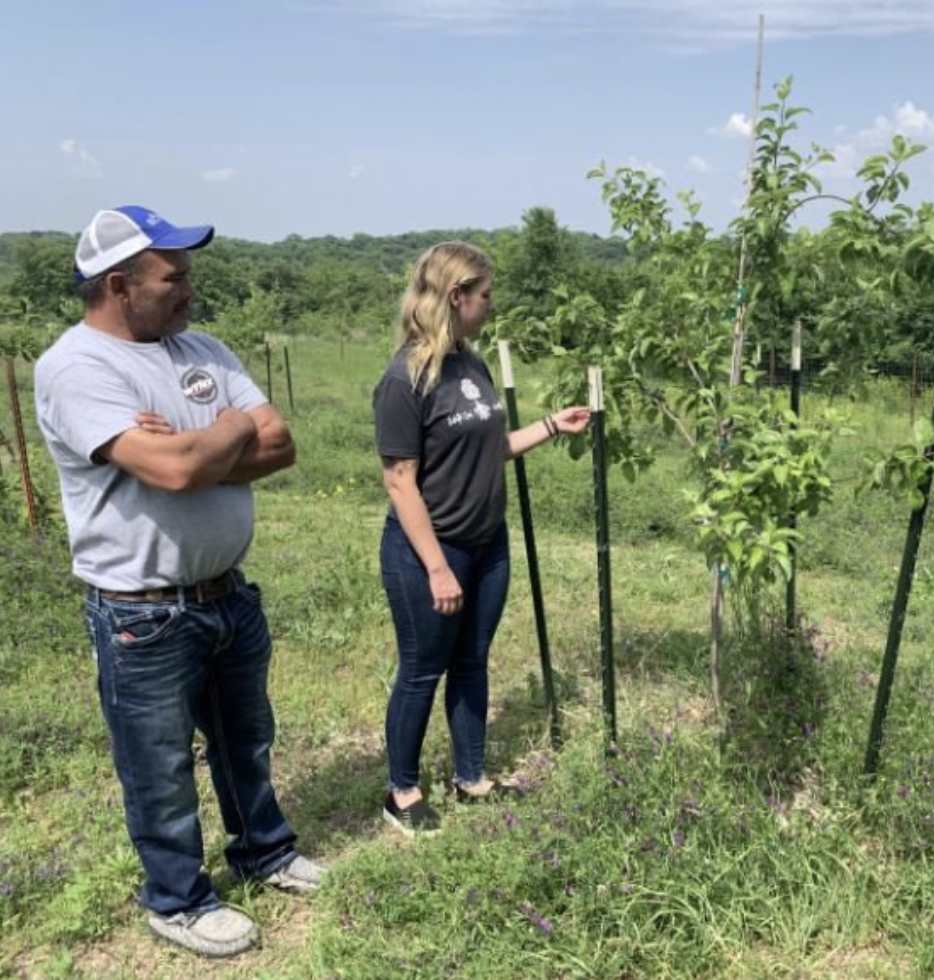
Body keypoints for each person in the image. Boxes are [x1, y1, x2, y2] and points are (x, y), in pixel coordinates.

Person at [34, 206, 325, 958]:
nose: (190, 290)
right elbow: (174, 467)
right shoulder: (74, 367)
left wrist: (199, 448)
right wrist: (227, 430)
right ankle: (177, 898)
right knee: (158, 765)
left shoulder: (203, 347)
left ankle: (264, 849)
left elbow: (281, 445)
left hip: (227, 594)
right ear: (119, 284)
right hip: (142, 614)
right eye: (175, 277)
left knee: (246, 739)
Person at [373, 241, 590, 836]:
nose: (492, 305)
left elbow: (490, 448)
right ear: (456, 296)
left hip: (486, 543)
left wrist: (551, 425)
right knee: (423, 668)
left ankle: (471, 778)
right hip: (429, 550)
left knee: (472, 661)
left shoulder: (471, 364)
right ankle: (402, 790)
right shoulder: (404, 379)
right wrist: (437, 567)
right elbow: (400, 482)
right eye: (485, 295)